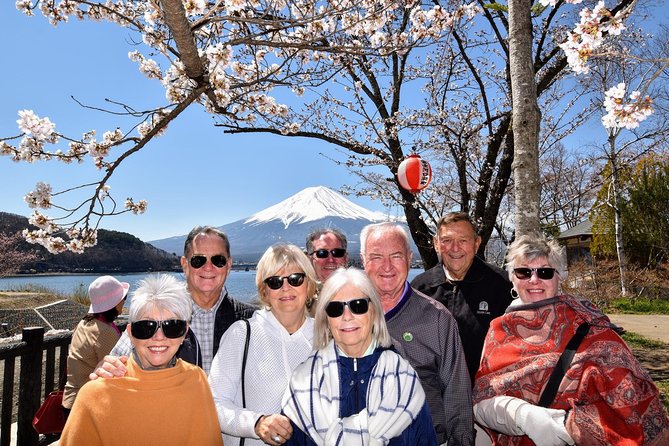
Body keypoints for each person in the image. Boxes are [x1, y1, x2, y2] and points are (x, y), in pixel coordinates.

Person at [473, 233, 669, 446]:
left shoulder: (591, 326)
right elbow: (482, 400)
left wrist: (566, 426)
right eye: (523, 272)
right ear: (512, 278)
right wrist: (523, 416)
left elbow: (632, 402)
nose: (534, 280)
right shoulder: (498, 330)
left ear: (559, 277)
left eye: (545, 272)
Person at [60, 274, 223, 445]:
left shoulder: (196, 380)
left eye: (172, 326)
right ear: (130, 333)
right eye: (146, 327)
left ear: (185, 332)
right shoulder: (95, 395)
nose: (159, 337)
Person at [283, 267, 437, 445]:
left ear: (374, 312)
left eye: (358, 306)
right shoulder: (303, 382)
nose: (347, 316)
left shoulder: (403, 379)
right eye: (335, 308)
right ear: (326, 319)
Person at [361, 222, 474, 446]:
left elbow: (457, 394)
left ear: (409, 258)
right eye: (376, 257)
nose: (387, 267)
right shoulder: (344, 316)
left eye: (396, 256)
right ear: (364, 261)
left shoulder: (437, 319)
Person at [98, 225, 255, 377]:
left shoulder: (251, 320)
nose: (208, 267)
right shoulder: (156, 311)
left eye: (218, 260)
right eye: (198, 260)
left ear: (228, 265)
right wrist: (106, 369)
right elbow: (115, 362)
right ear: (185, 265)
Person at [209, 243, 318, 446]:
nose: (286, 288)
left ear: (309, 284)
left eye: (295, 279)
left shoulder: (325, 336)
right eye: (275, 281)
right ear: (265, 290)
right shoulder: (241, 335)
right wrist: (256, 423)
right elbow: (212, 404)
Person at [411, 212, 513, 385]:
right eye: (447, 241)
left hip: (486, 395)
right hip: (433, 394)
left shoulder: (502, 285)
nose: (455, 248)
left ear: (477, 243)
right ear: (436, 244)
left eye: (463, 240)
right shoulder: (419, 288)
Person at [62, 275, 128, 419]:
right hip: (87, 404)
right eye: (124, 298)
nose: (124, 301)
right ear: (116, 303)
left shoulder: (85, 323)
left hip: (71, 400)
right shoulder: (105, 331)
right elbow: (119, 371)